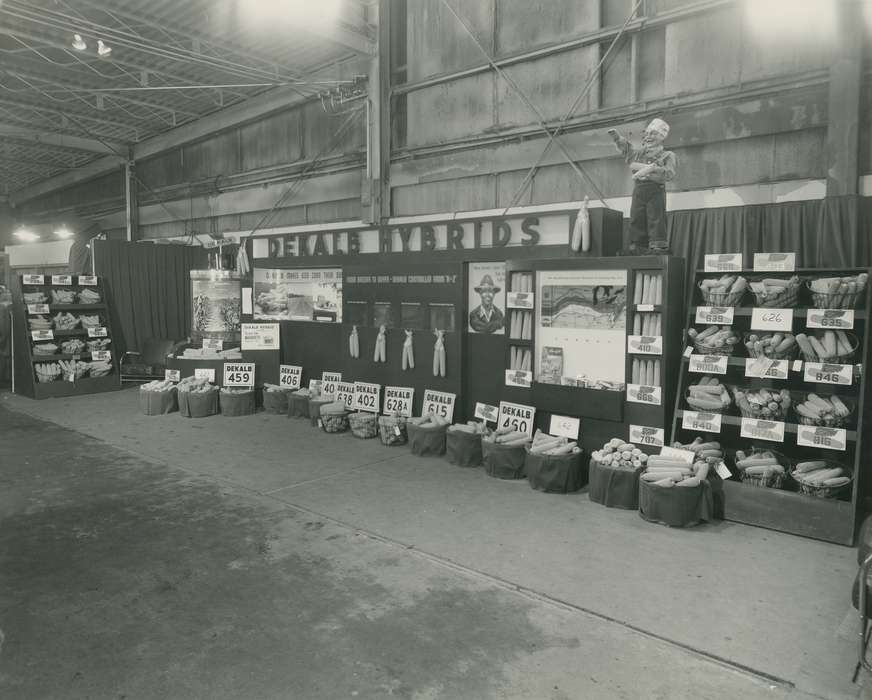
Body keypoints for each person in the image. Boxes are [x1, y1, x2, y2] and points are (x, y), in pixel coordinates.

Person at [607, 118, 676, 255]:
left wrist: (653, 169)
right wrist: (618, 139)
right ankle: (637, 245)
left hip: (656, 190)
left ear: (662, 137)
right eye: (648, 133)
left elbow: (670, 173)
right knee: (636, 217)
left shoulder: (668, 155)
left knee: (656, 217)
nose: (649, 137)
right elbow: (629, 152)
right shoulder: (639, 153)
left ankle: (658, 245)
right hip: (639, 189)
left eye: (654, 134)